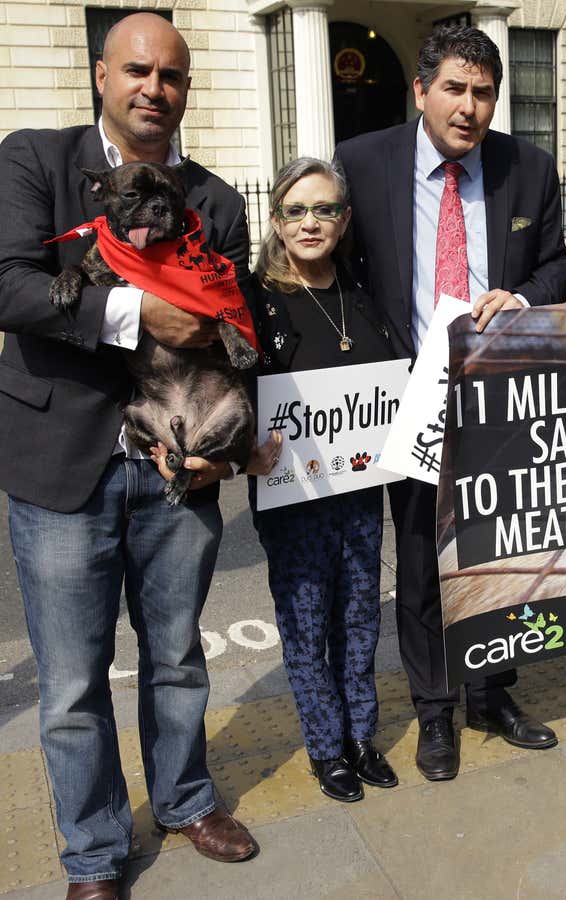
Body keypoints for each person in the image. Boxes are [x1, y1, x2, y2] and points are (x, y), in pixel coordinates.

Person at [0, 14, 259, 899]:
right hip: (67, 460)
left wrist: (229, 449)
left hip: (178, 458)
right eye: (137, 70)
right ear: (102, 74)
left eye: (171, 76)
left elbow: (238, 331)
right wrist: (139, 315)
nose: (154, 89)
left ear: (185, 89)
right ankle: (95, 855)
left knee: (177, 655)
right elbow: (5, 285)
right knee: (70, 682)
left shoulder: (215, 200)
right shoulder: (38, 159)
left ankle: (184, 799)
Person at [333, 24, 566, 782]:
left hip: (500, 401)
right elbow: (336, 273)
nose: (469, 107)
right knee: (422, 563)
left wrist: (525, 294)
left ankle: (491, 694)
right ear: (422, 90)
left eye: (483, 92)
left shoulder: (527, 169)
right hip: (410, 403)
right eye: (455, 90)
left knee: (499, 556)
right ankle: (436, 710)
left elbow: (558, 266)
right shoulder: (363, 162)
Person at [242, 157, 406, 803]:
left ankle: (363, 735)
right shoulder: (255, 298)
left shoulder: (361, 293)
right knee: (308, 624)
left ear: (343, 219)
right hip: (293, 498)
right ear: (278, 220)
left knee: (362, 616)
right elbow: (228, 391)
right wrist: (241, 450)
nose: (311, 222)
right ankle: (326, 746)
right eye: (296, 210)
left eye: (325, 209)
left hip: (361, 490)